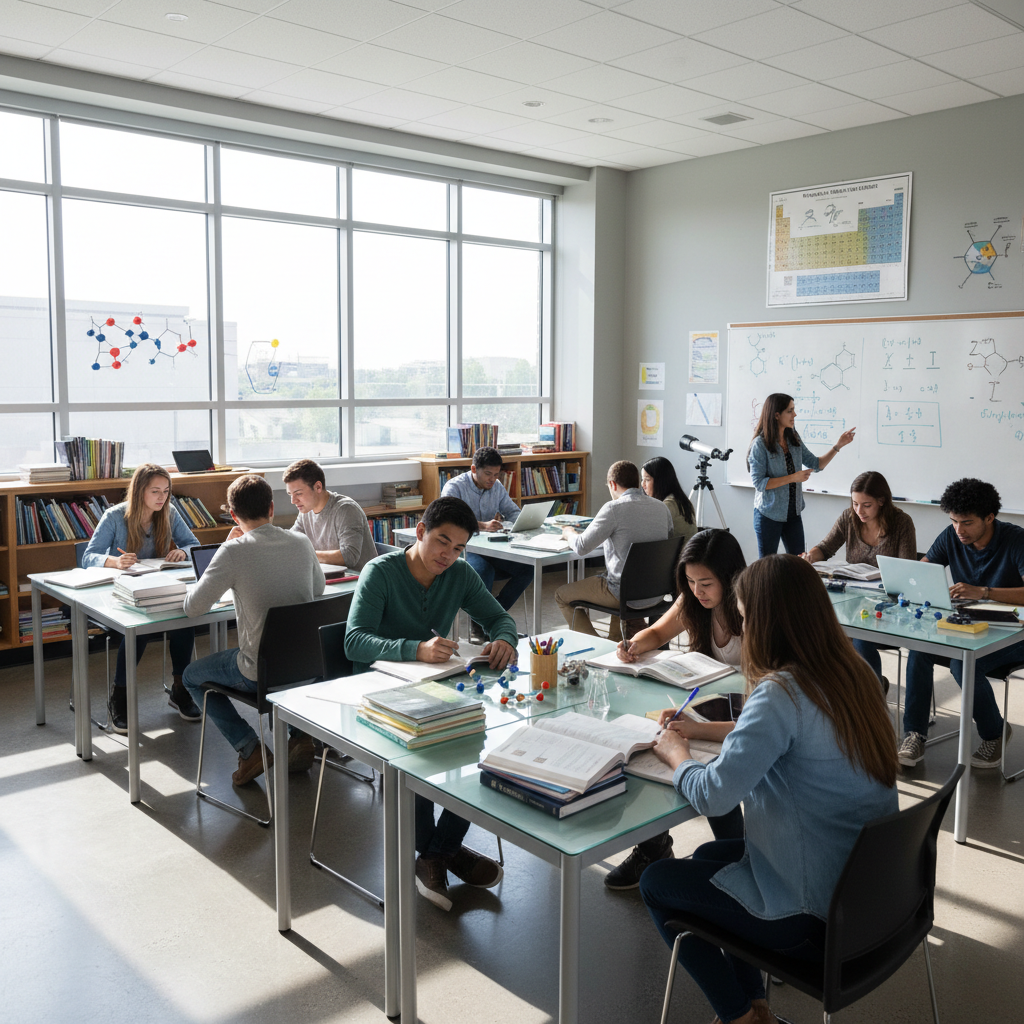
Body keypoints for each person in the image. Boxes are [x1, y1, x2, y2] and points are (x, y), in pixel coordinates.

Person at [640, 554, 898, 1024]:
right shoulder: (853, 673)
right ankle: (756, 1006)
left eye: (743, 615)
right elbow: (777, 734)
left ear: (764, 621)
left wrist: (676, 755)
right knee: (708, 859)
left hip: (810, 912)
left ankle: (739, 1017)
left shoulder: (780, 691)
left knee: (656, 882)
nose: (741, 625)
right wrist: (699, 731)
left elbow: (715, 794)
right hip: (868, 894)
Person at [344, 496, 518, 912]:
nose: (449, 555)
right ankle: (444, 852)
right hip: (377, 692)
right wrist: (416, 649)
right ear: (420, 532)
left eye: (459, 548)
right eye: (442, 542)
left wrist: (505, 640)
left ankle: (437, 853)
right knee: (418, 755)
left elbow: (501, 619)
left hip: (430, 687)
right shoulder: (380, 572)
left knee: (485, 748)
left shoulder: (457, 574)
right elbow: (353, 641)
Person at [605, 529, 746, 890]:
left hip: (746, 713)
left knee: (709, 765)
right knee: (648, 744)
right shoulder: (693, 603)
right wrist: (633, 645)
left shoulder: (753, 610)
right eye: (690, 581)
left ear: (732, 579)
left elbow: (759, 710)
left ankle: (736, 852)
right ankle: (654, 846)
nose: (697, 591)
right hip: (706, 705)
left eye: (706, 583)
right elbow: (656, 632)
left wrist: (693, 730)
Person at [182, 475, 325, 784]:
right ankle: (299, 737)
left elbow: (193, 607)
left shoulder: (233, 551)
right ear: (272, 508)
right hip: (306, 666)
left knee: (190, 677)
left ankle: (250, 749)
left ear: (233, 515)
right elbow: (319, 588)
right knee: (279, 665)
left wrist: (225, 549)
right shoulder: (301, 542)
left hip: (258, 672)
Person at [897, 478, 1024, 769]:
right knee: (920, 649)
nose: (959, 530)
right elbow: (924, 570)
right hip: (967, 626)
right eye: (954, 521)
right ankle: (914, 734)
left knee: (962, 663)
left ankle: (995, 732)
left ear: (990, 517)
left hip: (1014, 632)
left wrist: (984, 592)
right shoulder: (952, 535)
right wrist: (913, 582)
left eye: (966, 522)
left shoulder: (1017, 540)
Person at [82, 463, 199, 734]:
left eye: (166, 491)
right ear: (139, 492)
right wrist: (113, 560)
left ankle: (180, 690)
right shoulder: (114, 516)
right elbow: (88, 557)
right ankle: (119, 696)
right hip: (119, 594)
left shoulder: (169, 512)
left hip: (157, 588)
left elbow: (193, 544)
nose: (162, 497)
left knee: (185, 618)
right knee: (140, 629)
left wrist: (182, 551)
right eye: (155, 491)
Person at [802, 470, 917, 688]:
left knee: (859, 635)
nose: (859, 510)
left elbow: (906, 571)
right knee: (822, 627)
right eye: (855, 503)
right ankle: (846, 691)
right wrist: (809, 557)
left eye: (866, 505)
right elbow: (826, 547)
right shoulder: (849, 517)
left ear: (881, 501)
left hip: (888, 603)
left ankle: (871, 693)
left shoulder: (902, 522)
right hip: (853, 597)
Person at [554, 460, 673, 641]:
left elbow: (581, 547)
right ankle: (615, 643)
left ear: (612, 484)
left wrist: (569, 533)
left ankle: (597, 645)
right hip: (656, 592)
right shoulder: (662, 508)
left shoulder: (613, 508)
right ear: (637, 482)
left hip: (623, 594)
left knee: (562, 595)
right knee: (617, 575)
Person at [440, 446, 533, 640]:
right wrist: (481, 525)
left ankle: (492, 617)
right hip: (464, 549)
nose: (492, 479)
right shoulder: (454, 487)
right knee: (484, 571)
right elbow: (448, 518)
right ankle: (480, 627)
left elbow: (513, 511)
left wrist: (523, 523)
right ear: (474, 469)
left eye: (496, 474)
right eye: (488, 474)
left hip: (493, 548)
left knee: (527, 568)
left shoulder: (497, 487)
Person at [747, 393, 855, 557]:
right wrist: (793, 478)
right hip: (768, 515)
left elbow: (817, 464)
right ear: (777, 415)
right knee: (767, 568)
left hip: (793, 514)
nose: (795, 415)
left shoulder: (793, 438)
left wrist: (838, 445)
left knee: (800, 563)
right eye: (790, 411)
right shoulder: (760, 445)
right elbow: (759, 483)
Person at [284, 457, 376, 572]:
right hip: (331, 579)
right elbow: (291, 542)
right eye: (290, 494)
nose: (293, 501)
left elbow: (349, 556)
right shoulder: (306, 511)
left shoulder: (346, 509)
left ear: (318, 487)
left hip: (358, 582)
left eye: (298, 493)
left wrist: (307, 554)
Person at [641, 456, 698, 543]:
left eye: (647, 480)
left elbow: (651, 534)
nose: (643, 484)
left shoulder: (668, 505)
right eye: (642, 479)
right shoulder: (679, 499)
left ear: (660, 481)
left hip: (679, 555)